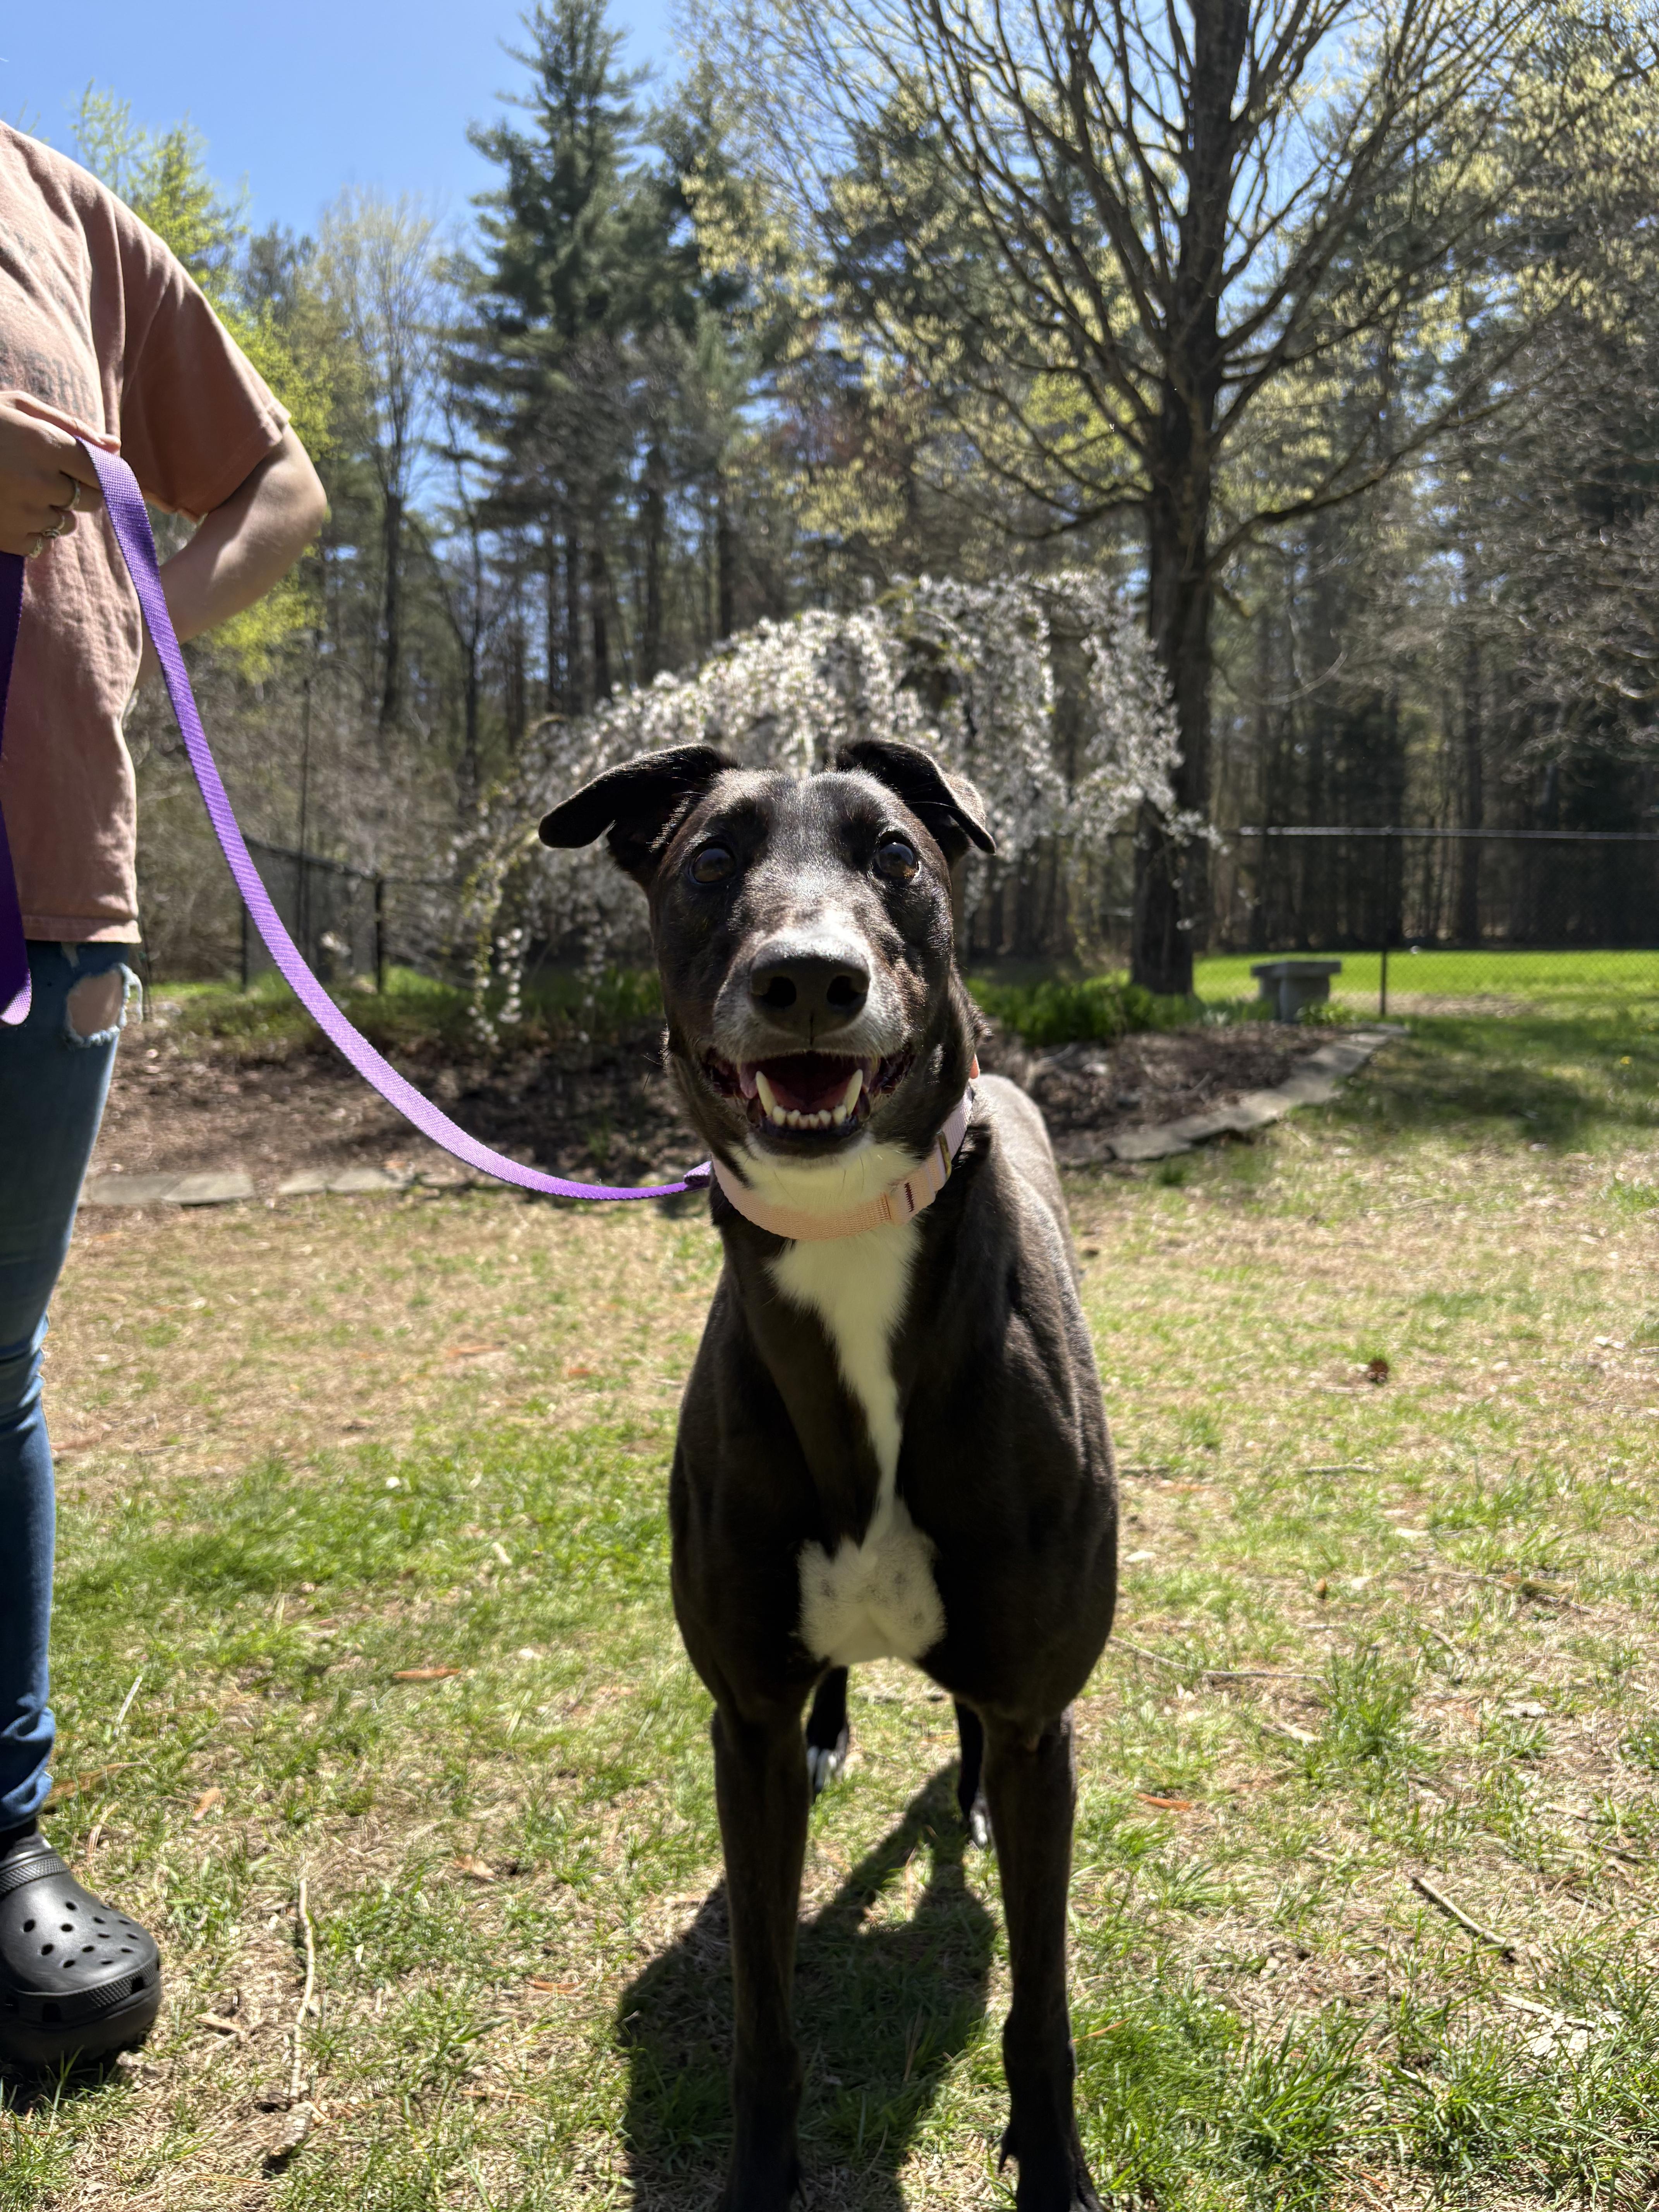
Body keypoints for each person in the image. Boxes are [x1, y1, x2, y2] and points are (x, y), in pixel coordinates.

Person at [0, 120, 327, 2067]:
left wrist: (132, 624)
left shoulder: (61, 211)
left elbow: (279, 484)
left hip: (49, 900)